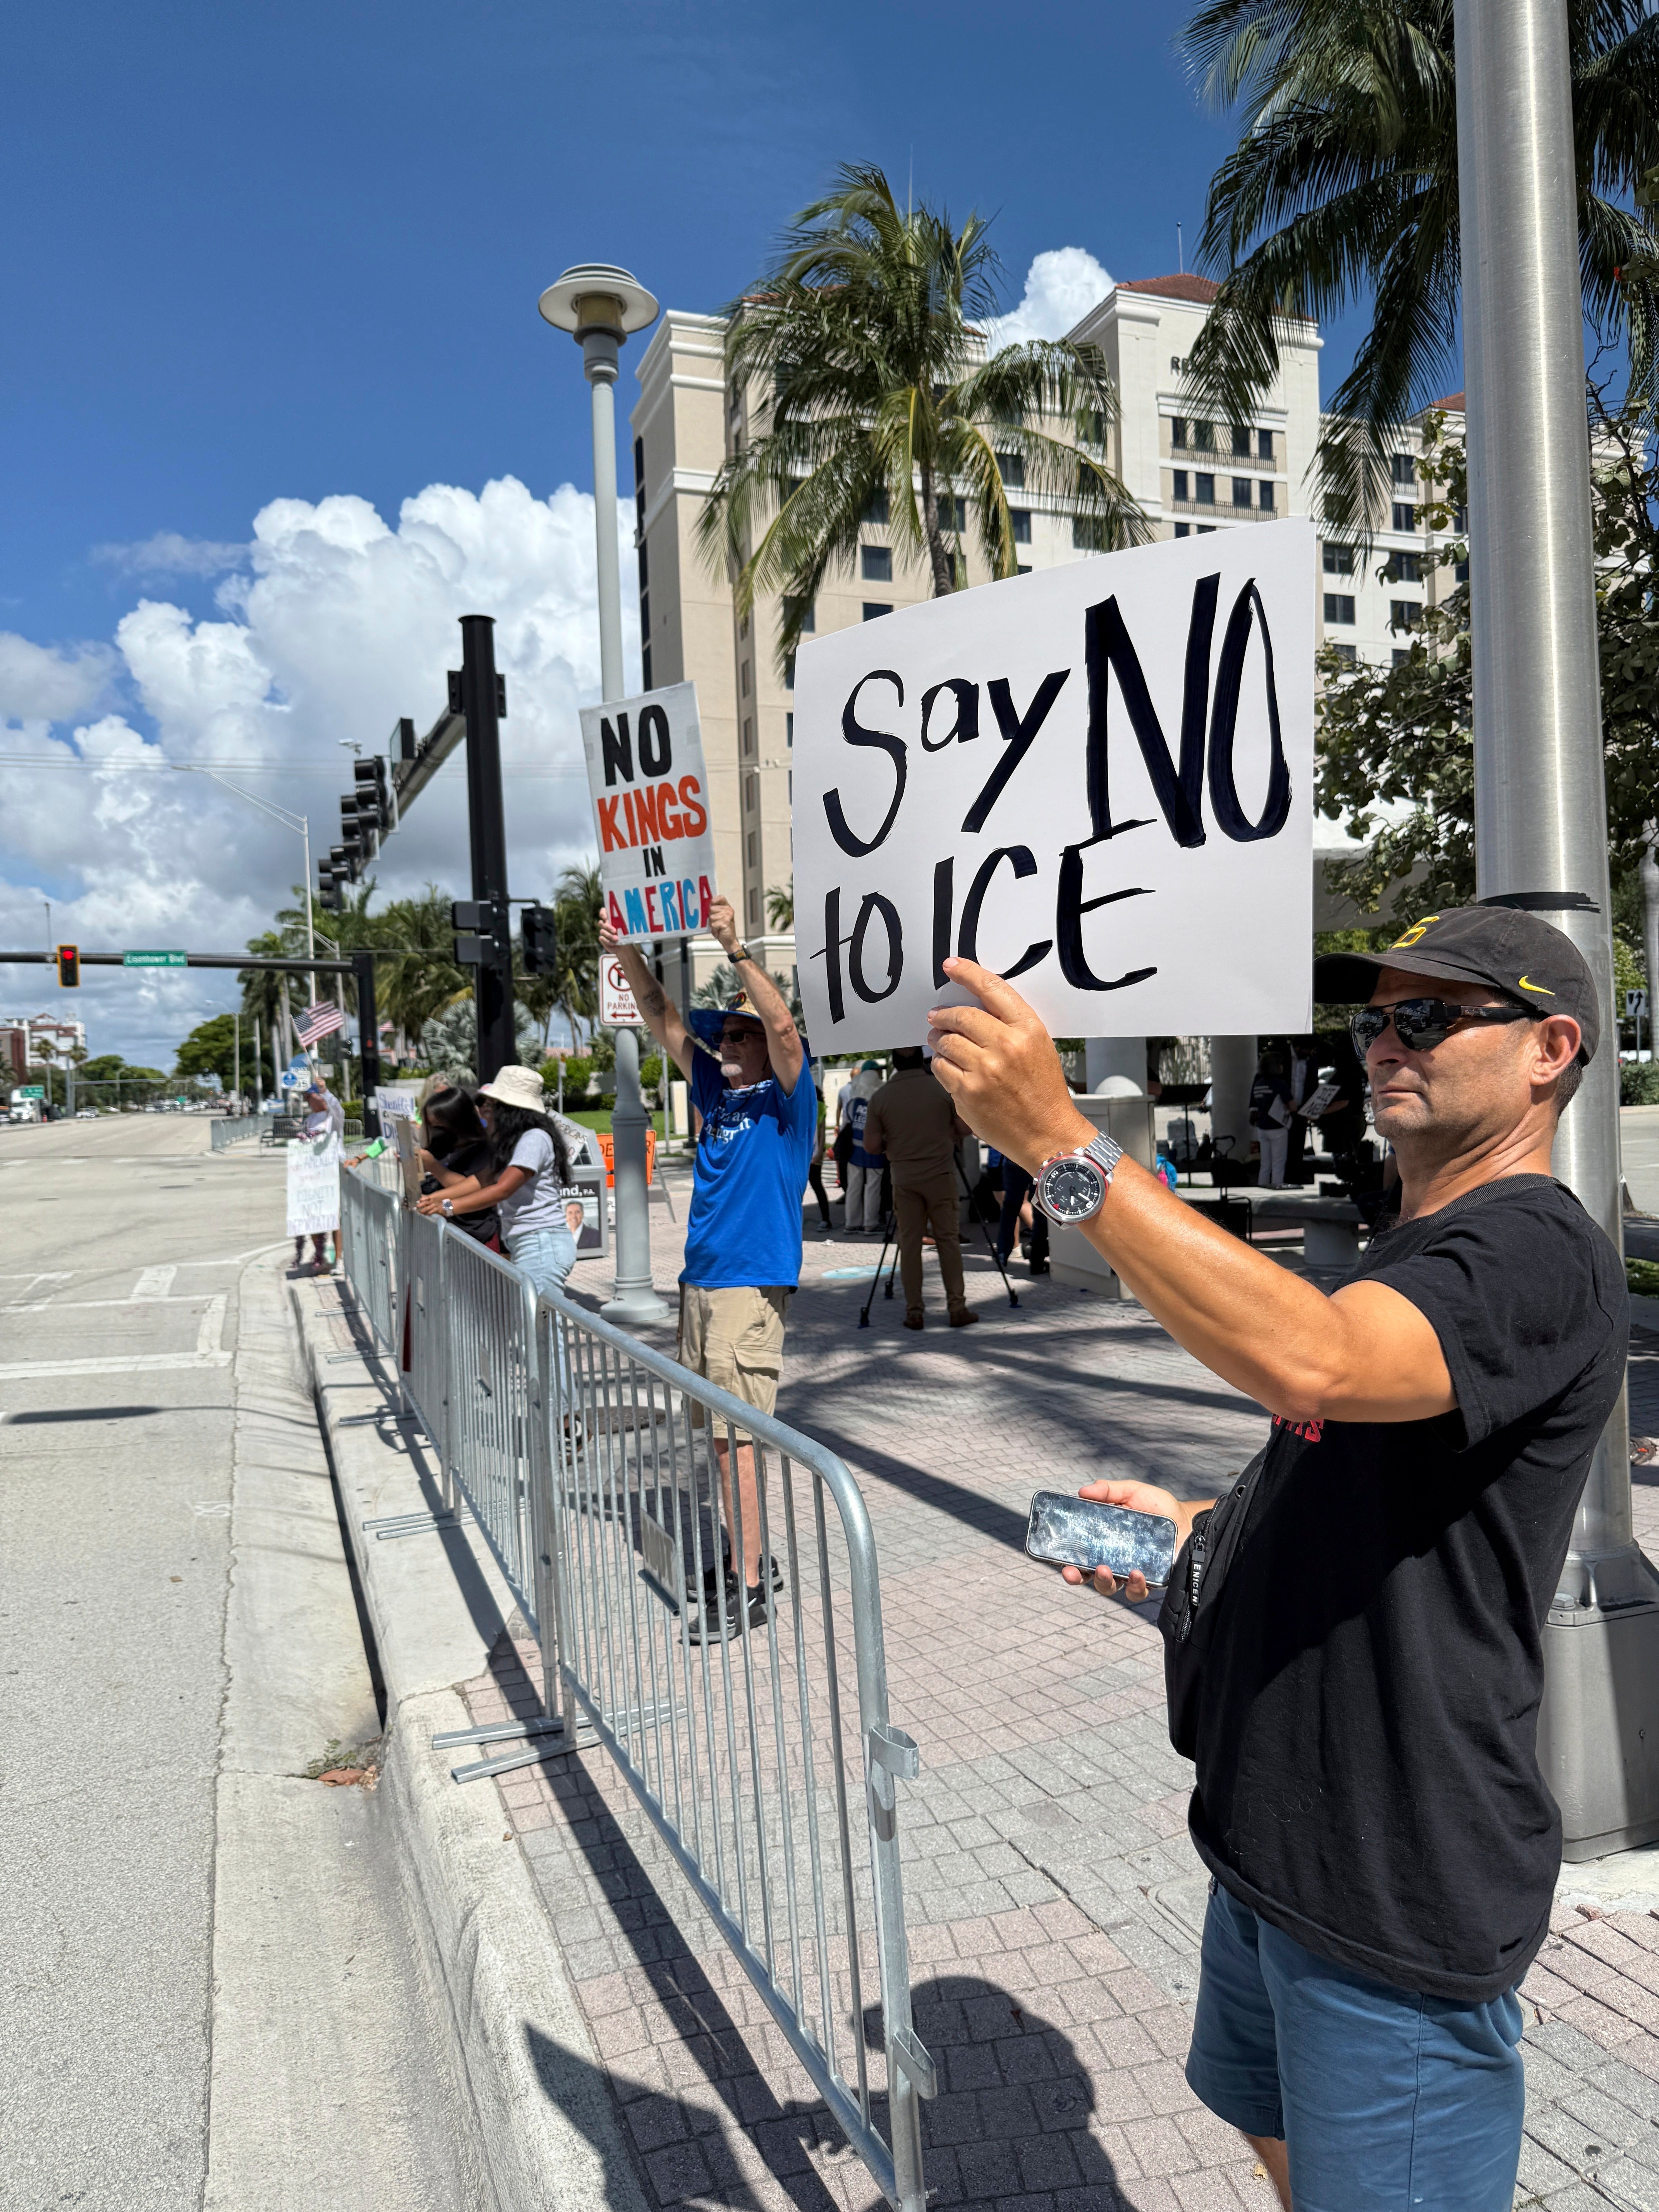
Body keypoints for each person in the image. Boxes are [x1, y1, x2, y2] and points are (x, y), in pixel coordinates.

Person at [924, 908, 1625, 2211]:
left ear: (1550, 1050)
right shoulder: (1411, 1248)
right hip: (1275, 1841)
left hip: (1391, 1876)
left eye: (1428, 1017)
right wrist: (1194, 1537)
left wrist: (1059, 1144)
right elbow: (1352, 1462)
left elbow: (1312, 1361)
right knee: (1256, 2108)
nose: (1382, 1045)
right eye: (1373, 1019)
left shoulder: (1532, 1246)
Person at [601, 897, 815, 1638]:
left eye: (736, 1034)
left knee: (735, 1442)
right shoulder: (716, 1087)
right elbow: (660, 1014)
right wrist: (626, 951)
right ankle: (750, 1556)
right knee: (720, 1438)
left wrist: (733, 944)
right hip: (702, 1285)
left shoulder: (789, 1101)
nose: (723, 1040)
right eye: (722, 1031)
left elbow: (784, 1028)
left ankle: (748, 1584)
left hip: (746, 1288)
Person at [414, 1065, 582, 1300]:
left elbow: (502, 1189)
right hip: (531, 1242)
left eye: (490, 1105)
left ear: (509, 1108)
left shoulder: (534, 1139)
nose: (483, 1110)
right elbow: (479, 1181)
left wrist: (447, 1208)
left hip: (542, 1243)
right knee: (533, 1325)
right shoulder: (516, 1141)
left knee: (541, 1328)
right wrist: (430, 1200)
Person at [861, 1048, 978, 1330]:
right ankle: (957, 1308)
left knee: (910, 1246)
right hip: (940, 1174)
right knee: (948, 1241)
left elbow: (871, 1146)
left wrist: (896, 1143)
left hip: (904, 1179)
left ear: (894, 1063)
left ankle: (914, 1312)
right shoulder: (940, 1090)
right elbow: (965, 1128)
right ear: (921, 1061)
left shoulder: (881, 1097)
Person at [413, 1085, 501, 1249]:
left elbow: (475, 1188)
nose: (436, 1131)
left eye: (439, 1126)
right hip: (448, 1235)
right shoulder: (442, 1145)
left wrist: (434, 1169)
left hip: (477, 1237)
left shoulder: (482, 1150)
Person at [293, 1080, 345, 1273]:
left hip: (331, 1171)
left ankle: (339, 1260)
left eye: (313, 1095)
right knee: (314, 1217)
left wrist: (324, 1089)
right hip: (313, 1174)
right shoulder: (310, 1120)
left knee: (334, 1217)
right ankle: (320, 1256)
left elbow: (336, 1107)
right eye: (308, 1097)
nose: (310, 1101)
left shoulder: (334, 1117)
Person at [838, 1061, 884, 1232]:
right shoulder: (879, 1103)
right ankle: (870, 1223)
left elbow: (846, 1126)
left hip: (854, 1151)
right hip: (875, 1150)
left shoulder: (852, 1104)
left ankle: (851, 1223)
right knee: (873, 1187)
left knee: (854, 1187)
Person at [1249, 1049, 1293, 1188]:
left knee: (1265, 1164)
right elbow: (1293, 1106)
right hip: (1278, 1127)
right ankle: (1277, 1189)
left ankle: (1262, 1189)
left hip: (1262, 1127)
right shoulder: (1279, 1083)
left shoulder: (1259, 1083)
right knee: (1278, 1164)